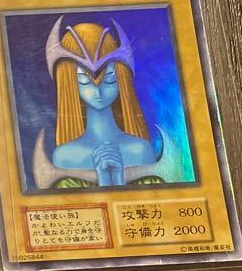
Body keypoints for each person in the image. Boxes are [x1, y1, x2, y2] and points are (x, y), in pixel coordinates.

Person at [33, 17, 182, 190]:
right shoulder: (65, 156)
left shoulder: (140, 150)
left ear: (121, 80)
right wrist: (104, 181)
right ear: (71, 84)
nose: (98, 91)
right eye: (84, 81)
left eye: (109, 79)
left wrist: (117, 181)